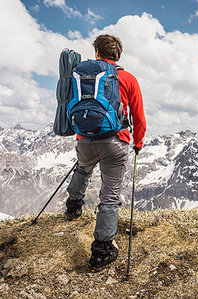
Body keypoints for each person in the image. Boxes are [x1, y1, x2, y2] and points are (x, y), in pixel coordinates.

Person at [64, 34, 146, 272]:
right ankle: (102, 251)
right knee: (109, 195)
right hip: (115, 143)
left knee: (82, 169)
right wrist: (138, 142)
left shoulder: (81, 75)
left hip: (85, 140)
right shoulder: (128, 78)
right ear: (118, 55)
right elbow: (138, 117)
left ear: (97, 53)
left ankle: (73, 207)